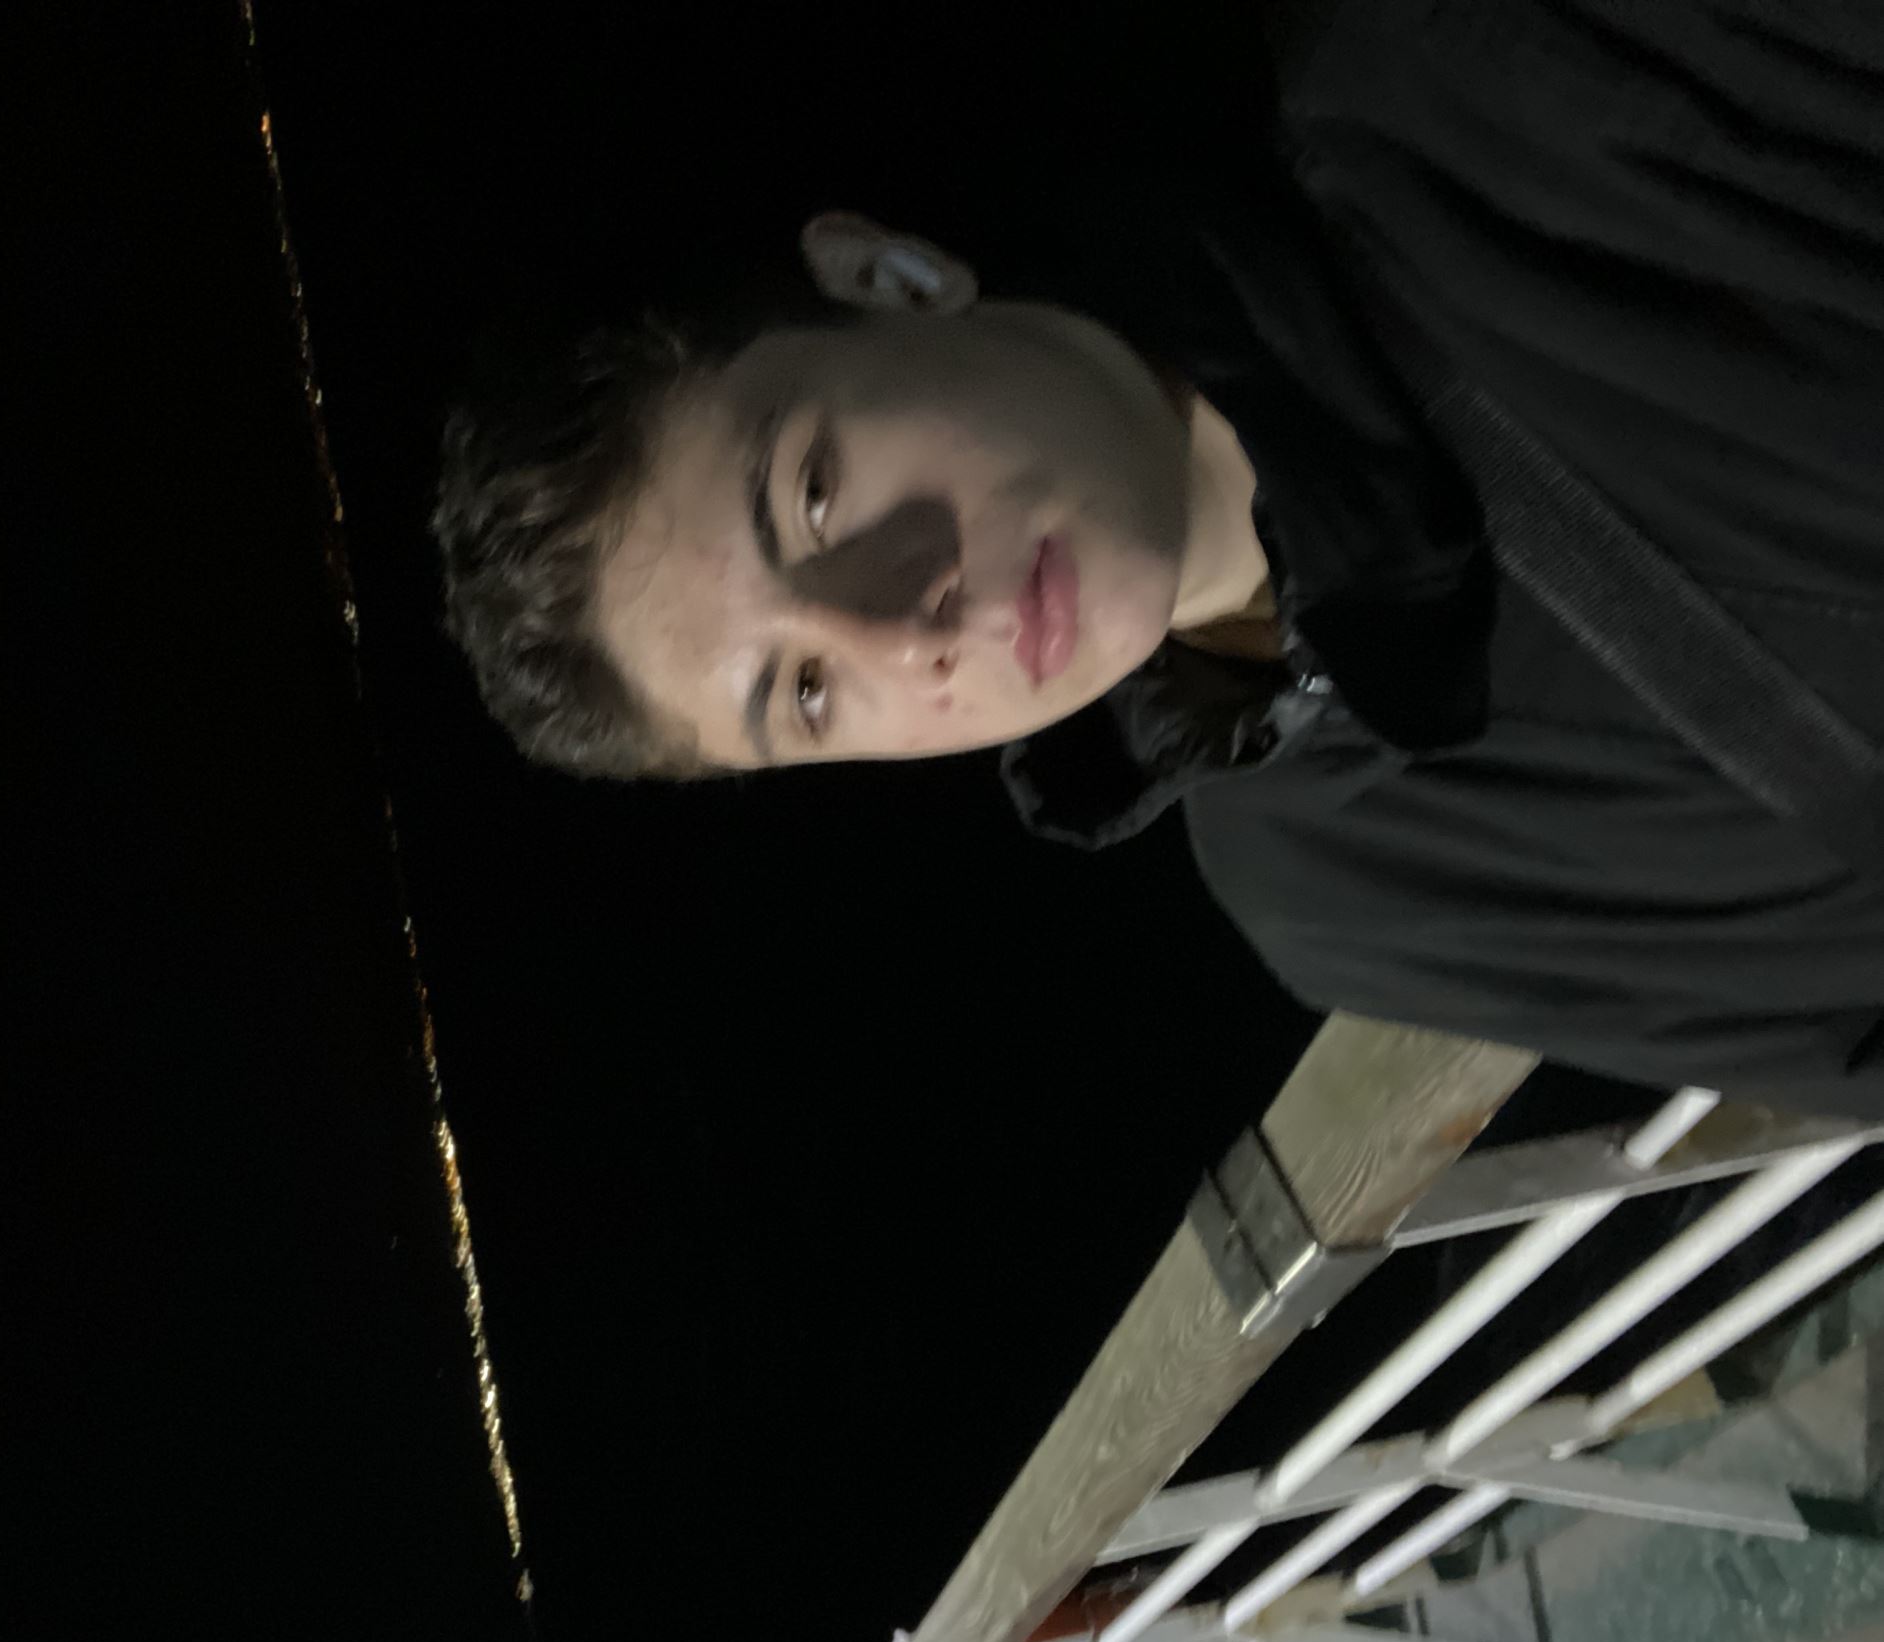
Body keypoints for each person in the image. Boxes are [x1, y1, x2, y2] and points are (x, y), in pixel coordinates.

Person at [430, 0, 1884, 1115]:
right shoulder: (1333, 896)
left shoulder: (1470, 88)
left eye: (813, 494)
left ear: (895, 278)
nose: (902, 631)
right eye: (807, 695)